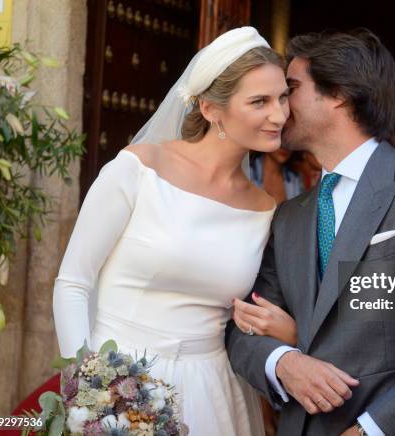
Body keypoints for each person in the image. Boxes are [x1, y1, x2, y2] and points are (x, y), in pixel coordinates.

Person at [227, 29, 395, 436]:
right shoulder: (289, 215)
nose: (280, 107)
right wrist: (284, 362)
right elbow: (243, 328)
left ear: (338, 93)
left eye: (291, 89)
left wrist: (374, 429)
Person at [53, 27, 293, 435]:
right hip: (119, 379)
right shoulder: (138, 170)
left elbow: (249, 314)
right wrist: (89, 391)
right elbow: (73, 284)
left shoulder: (265, 209)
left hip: (212, 390)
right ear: (211, 108)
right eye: (260, 101)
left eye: (283, 97)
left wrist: (287, 331)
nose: (280, 115)